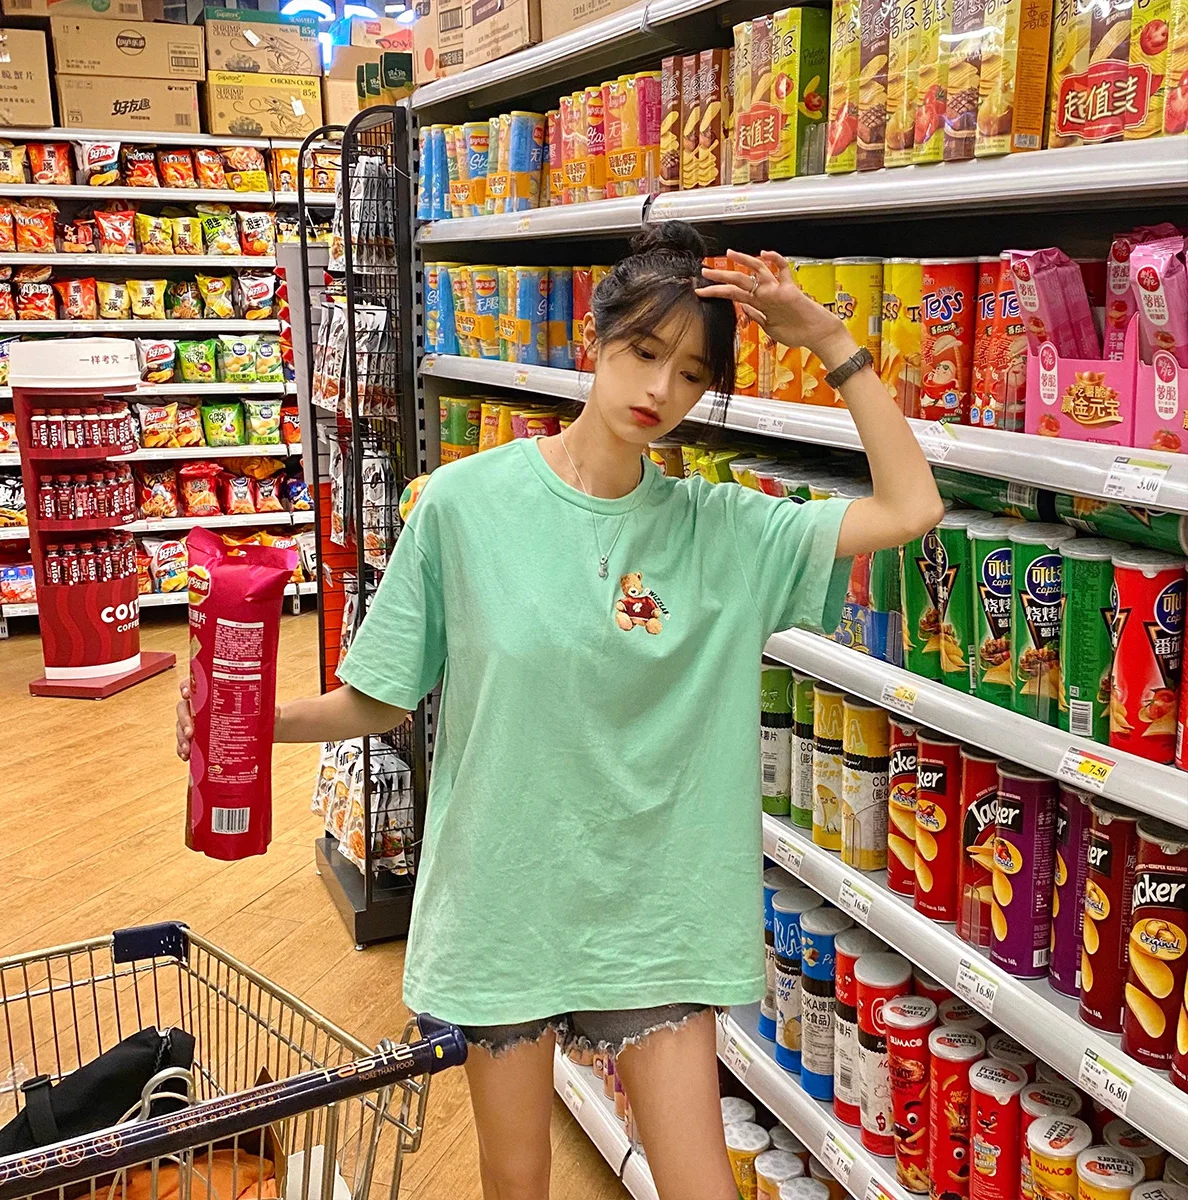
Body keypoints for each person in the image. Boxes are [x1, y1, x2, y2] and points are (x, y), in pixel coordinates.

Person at [176, 222, 943, 1200]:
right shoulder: (461, 505)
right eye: (644, 351)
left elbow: (911, 508)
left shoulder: (723, 530)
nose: (660, 389)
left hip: (657, 914)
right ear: (594, 337)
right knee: (518, 1178)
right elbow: (378, 697)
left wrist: (831, 341)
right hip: (508, 900)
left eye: (691, 374)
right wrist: (245, 721)